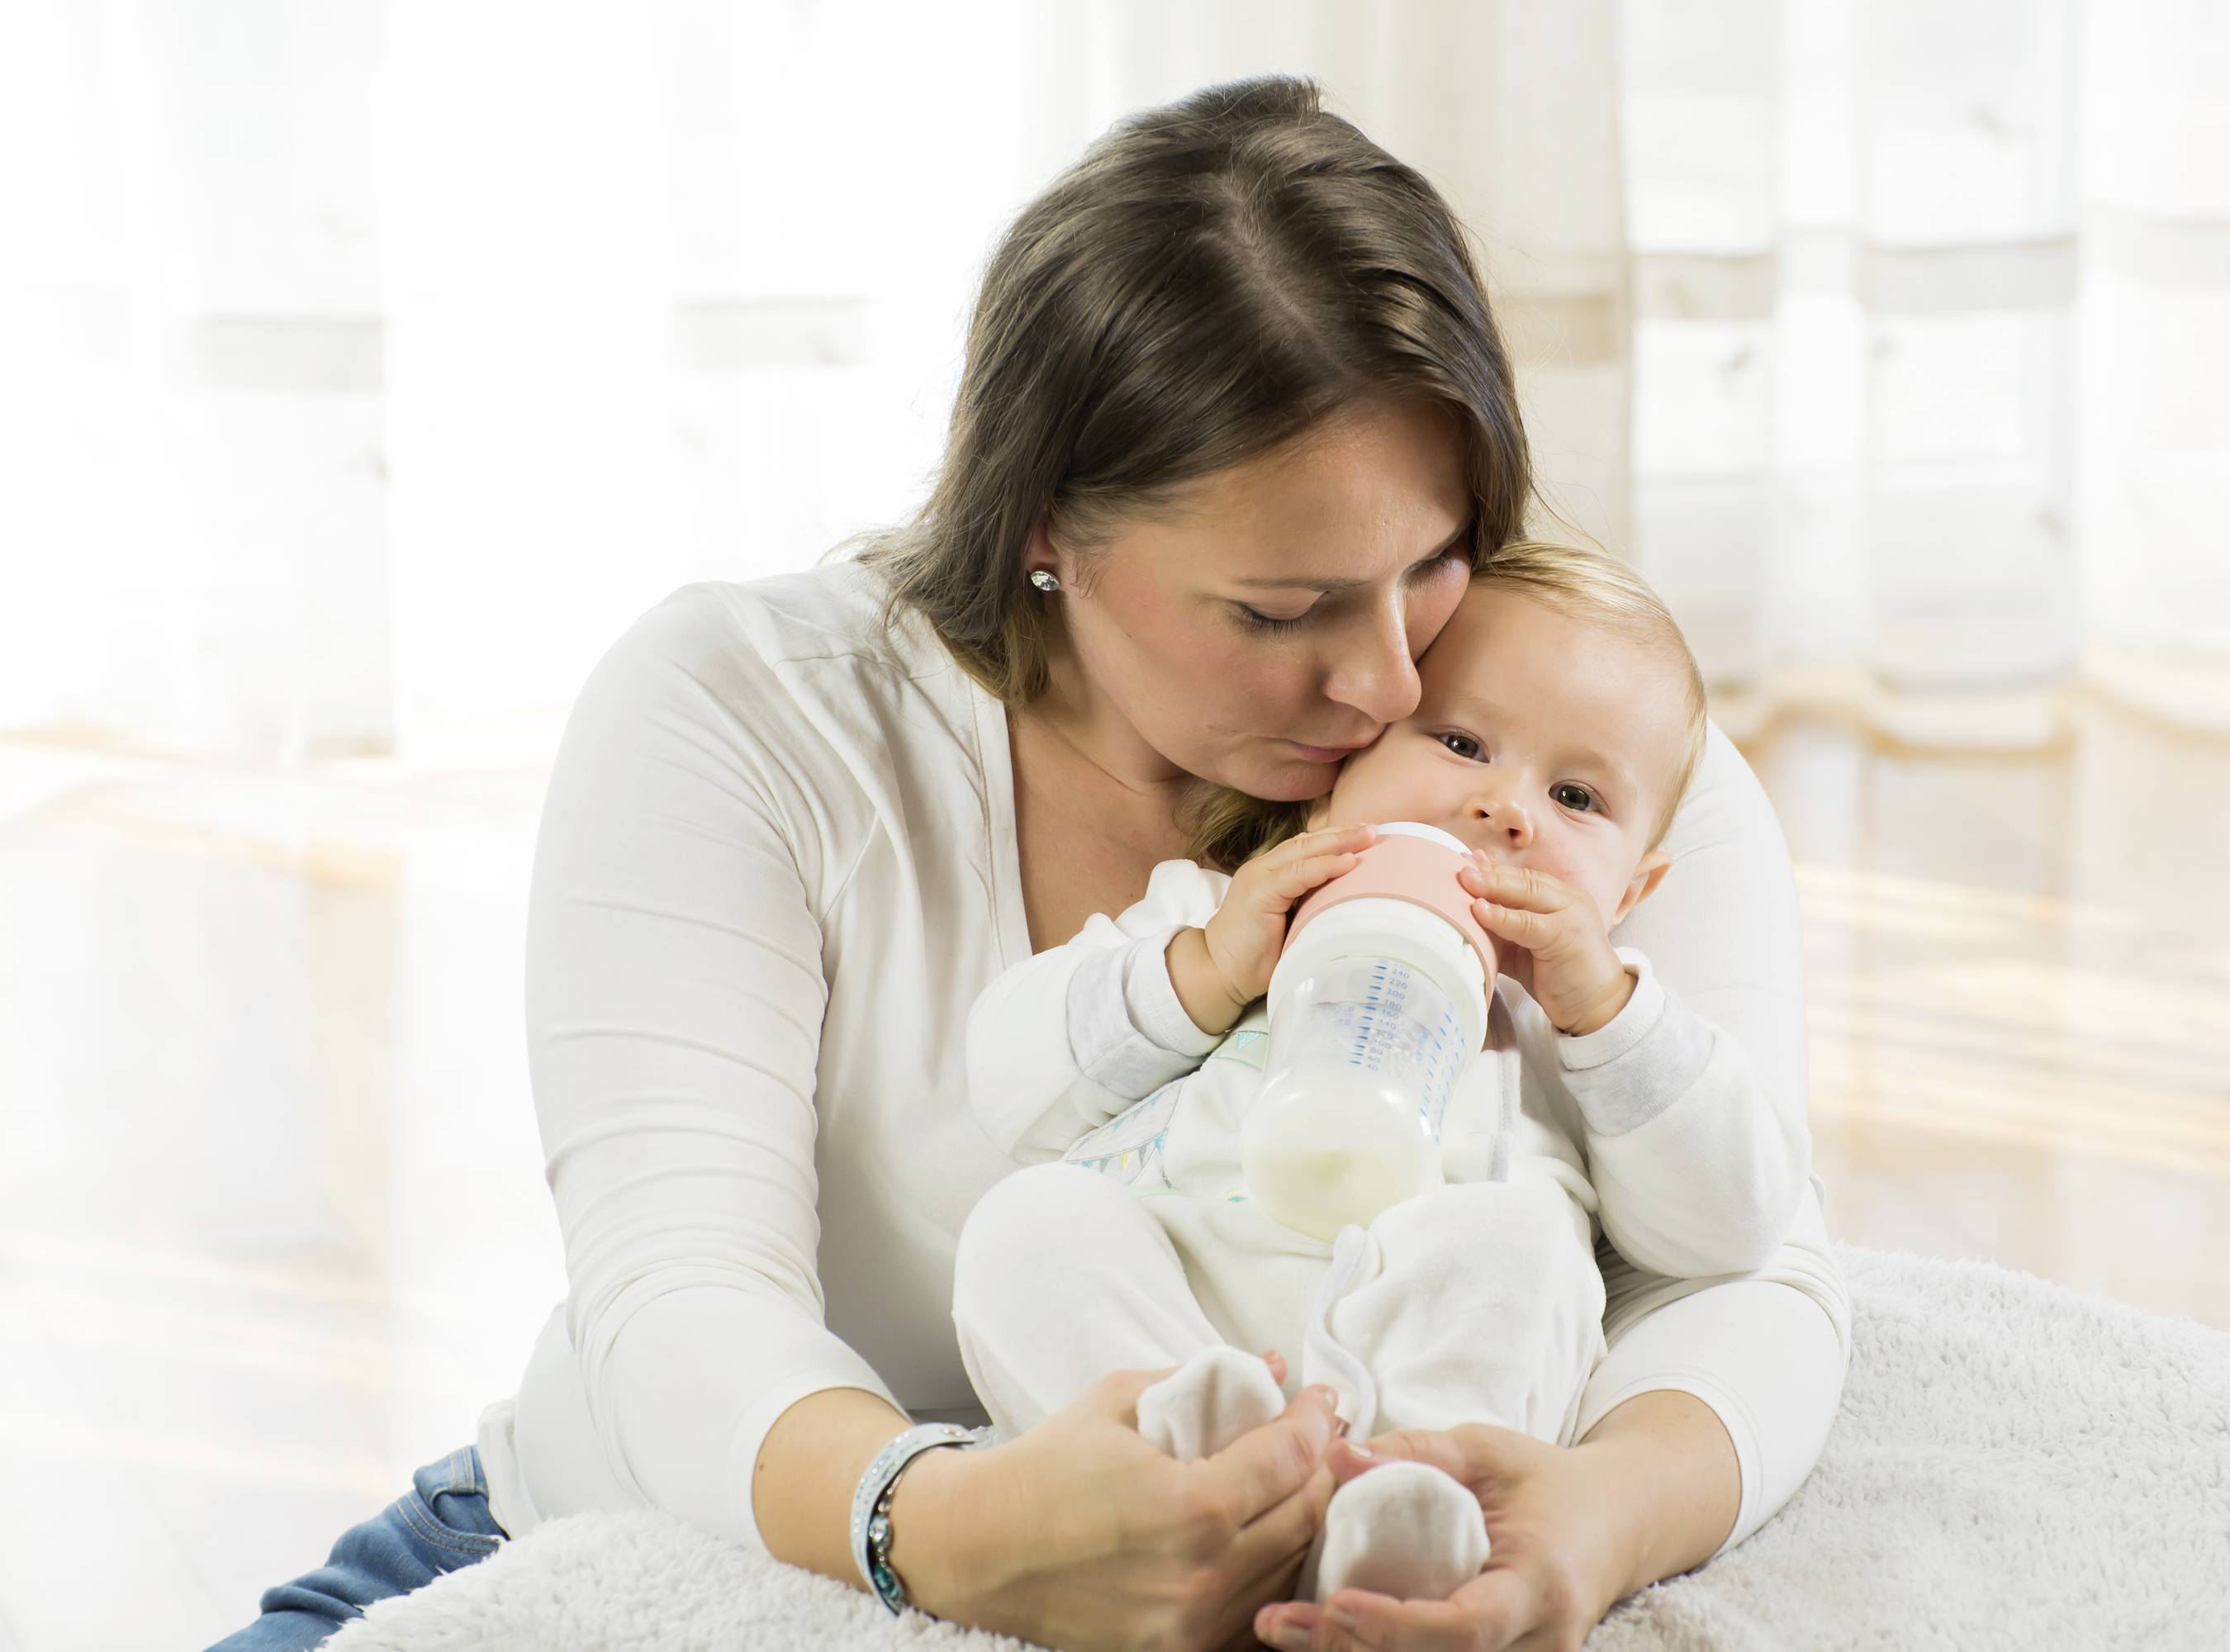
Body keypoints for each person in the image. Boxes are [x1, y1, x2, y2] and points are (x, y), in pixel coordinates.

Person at [208, 73, 1848, 1652]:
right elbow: (678, 1297)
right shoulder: (752, 716)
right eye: (1281, 612)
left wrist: (1606, 1516)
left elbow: (1767, 1261)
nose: (1390, 684)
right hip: (641, 1533)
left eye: (1431, 566)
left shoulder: (1573, 767)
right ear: (1045, 528)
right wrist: (958, 1528)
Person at [952, 541, 1815, 1612]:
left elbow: (1730, 1229)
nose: (1509, 810)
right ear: (1337, 780)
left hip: (1424, 1359)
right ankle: (1181, 1467)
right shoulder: (1219, 915)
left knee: (1519, 1244)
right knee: (1025, 1223)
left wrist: (1606, 1011)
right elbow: (1009, 1080)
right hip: (1191, 1308)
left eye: (1578, 797)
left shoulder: (1576, 1024)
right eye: (1460, 742)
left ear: (1633, 889)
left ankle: (1405, 1504)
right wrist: (1206, 969)